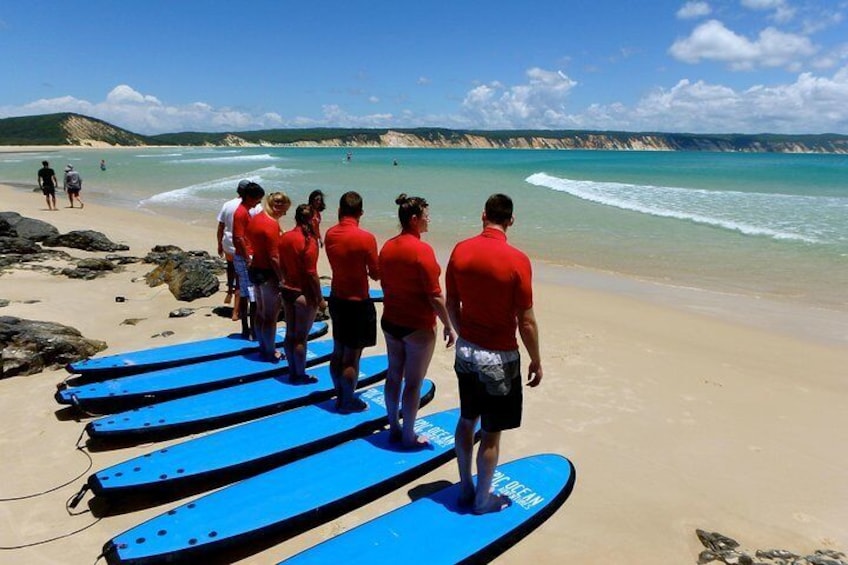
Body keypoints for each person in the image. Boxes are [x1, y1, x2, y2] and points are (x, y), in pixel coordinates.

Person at [446, 193, 542, 515]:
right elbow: (526, 321)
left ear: (483, 214)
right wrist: (536, 359)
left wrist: (464, 334)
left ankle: (465, 486)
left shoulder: (460, 250)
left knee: (466, 419)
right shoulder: (518, 260)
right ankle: (482, 500)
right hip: (500, 359)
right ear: (511, 221)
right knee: (490, 435)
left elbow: (450, 304)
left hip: (467, 352)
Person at [379, 194, 456, 448]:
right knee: (413, 383)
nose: (429, 219)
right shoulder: (422, 250)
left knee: (393, 376)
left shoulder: (388, 246)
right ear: (414, 220)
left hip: (391, 321)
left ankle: (394, 427)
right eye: (425, 215)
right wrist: (448, 324)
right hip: (417, 326)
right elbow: (435, 295)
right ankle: (409, 435)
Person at [324, 191, 380, 413]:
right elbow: (375, 273)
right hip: (357, 301)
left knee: (338, 350)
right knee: (352, 356)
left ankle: (340, 393)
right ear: (361, 213)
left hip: (337, 297)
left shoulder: (329, 234)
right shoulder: (366, 238)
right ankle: (347, 400)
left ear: (339, 211)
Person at [279, 204, 325, 383]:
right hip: (303, 294)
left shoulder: (285, 237)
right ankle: (300, 374)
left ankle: (292, 371)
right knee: (301, 339)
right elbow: (311, 272)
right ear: (311, 219)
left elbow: (282, 264)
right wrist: (320, 299)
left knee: (290, 334)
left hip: (288, 290)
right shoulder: (309, 241)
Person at [246, 191, 291, 362]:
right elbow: (274, 256)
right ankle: (270, 351)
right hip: (268, 272)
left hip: (255, 269)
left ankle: (263, 346)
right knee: (270, 316)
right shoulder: (270, 224)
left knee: (260, 312)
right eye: (282, 211)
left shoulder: (256, 218)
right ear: (276, 206)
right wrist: (282, 278)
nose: (283, 214)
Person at [231, 181, 266, 340]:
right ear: (250, 197)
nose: (259, 202)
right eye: (257, 199)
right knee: (250, 296)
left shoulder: (245, 211)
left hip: (245, 256)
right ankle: (250, 330)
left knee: (248, 294)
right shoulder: (241, 213)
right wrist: (248, 258)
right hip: (244, 258)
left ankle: (250, 329)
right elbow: (238, 237)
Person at [217, 180, 251, 307]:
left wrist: (219, 243)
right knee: (241, 274)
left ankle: (230, 290)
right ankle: (237, 301)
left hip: (228, 242)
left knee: (230, 266)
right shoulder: (252, 206)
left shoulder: (227, 204)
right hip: (243, 245)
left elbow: (221, 226)